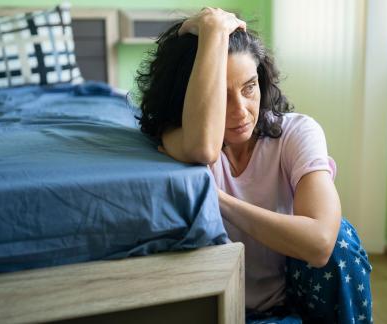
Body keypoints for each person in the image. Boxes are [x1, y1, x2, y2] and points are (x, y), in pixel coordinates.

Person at [136, 8, 372, 324]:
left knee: (342, 239)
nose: (240, 112)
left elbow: (320, 244)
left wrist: (220, 201)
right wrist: (214, 32)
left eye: (249, 87)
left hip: (294, 295)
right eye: (222, 96)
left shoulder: (296, 132)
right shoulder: (177, 139)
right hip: (224, 308)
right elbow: (203, 147)